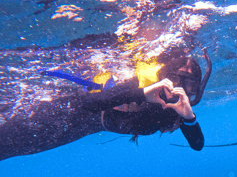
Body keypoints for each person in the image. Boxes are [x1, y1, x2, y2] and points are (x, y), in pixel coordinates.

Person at [0, 49, 212, 161]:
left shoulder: (178, 107)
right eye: (176, 80)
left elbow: (198, 145)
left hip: (81, 129)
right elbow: (89, 103)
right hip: (66, 111)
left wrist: (189, 118)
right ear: (165, 76)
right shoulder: (141, 84)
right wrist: (142, 94)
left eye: (190, 84)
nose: (181, 88)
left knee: (12, 150)